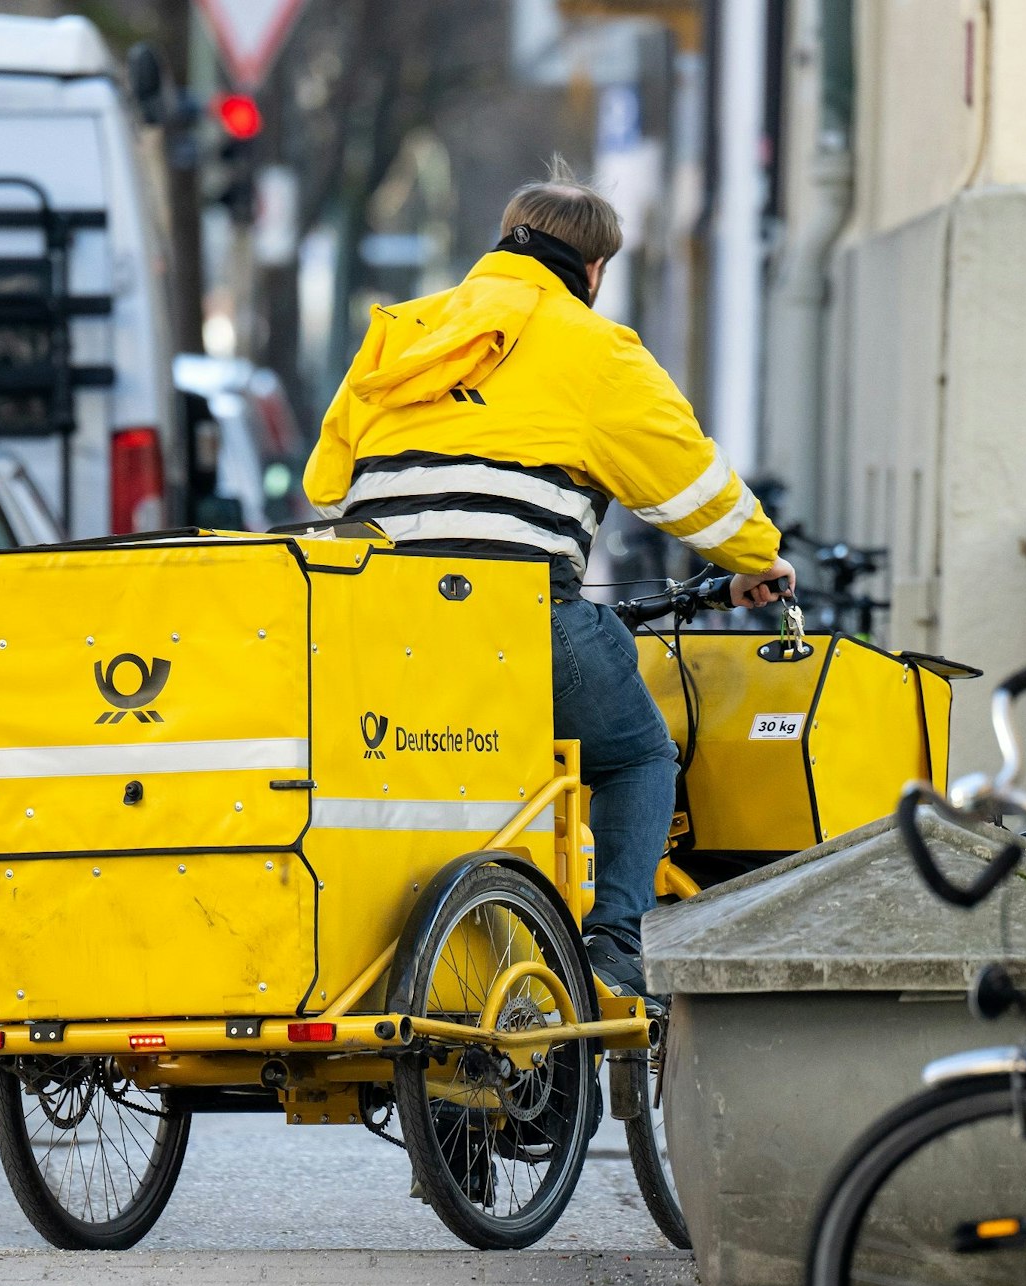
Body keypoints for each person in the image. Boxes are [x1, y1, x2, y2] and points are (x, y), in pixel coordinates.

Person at [303, 159, 795, 1002]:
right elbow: (689, 484)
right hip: (514, 621)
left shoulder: (402, 330)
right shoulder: (593, 347)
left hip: (377, 622)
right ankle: (615, 942)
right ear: (594, 269)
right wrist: (758, 560)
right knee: (639, 753)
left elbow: (325, 482)